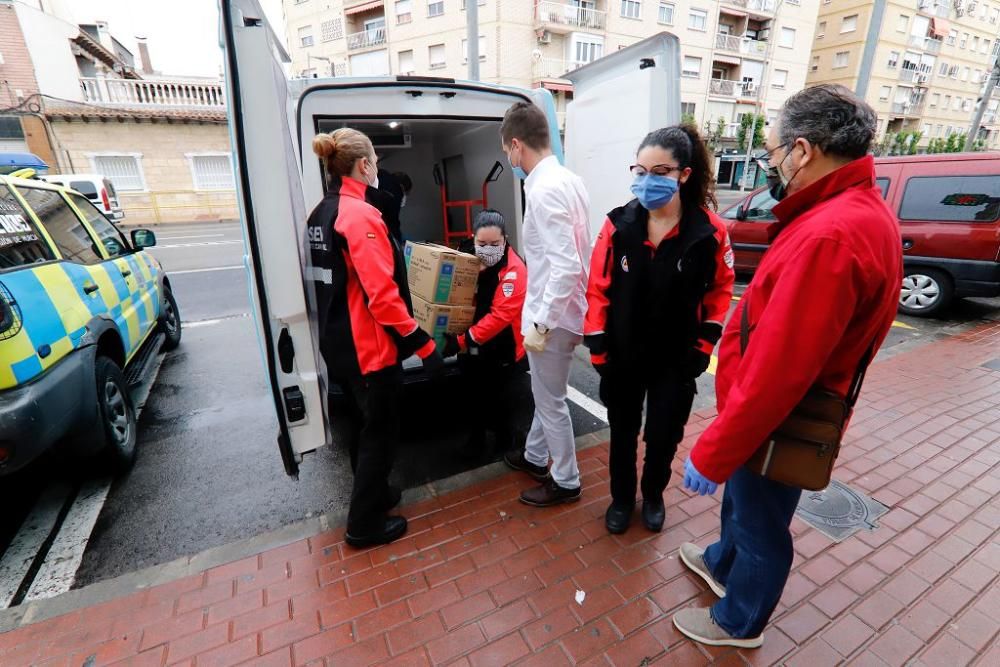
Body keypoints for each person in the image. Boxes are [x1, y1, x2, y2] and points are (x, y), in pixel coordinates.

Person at [673, 85, 903, 648]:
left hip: (782, 415)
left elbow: (783, 367)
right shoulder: (847, 212)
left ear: (803, 151)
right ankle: (721, 563)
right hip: (776, 410)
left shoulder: (831, 233)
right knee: (745, 505)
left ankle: (739, 620)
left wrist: (716, 448)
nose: (772, 165)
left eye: (773, 153)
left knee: (761, 522)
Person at [584, 125, 734, 536]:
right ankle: (620, 498)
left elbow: (722, 290)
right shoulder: (618, 225)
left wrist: (704, 344)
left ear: (684, 174)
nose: (647, 181)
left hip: (677, 358)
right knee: (623, 431)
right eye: (641, 170)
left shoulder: (710, 232)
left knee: (664, 434)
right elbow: (597, 289)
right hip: (624, 353)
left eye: (660, 171)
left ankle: (652, 496)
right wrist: (598, 348)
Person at [306, 128, 444, 549]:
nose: (378, 169)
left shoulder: (322, 212)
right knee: (380, 437)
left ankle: (378, 495)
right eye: (376, 163)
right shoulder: (360, 216)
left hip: (339, 344)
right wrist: (423, 344)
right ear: (364, 165)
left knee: (364, 430)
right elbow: (381, 297)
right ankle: (363, 524)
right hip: (370, 350)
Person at [499, 101, 591, 507]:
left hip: (553, 317)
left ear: (517, 145)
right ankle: (536, 456)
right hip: (568, 313)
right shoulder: (569, 180)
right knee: (546, 391)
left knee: (551, 401)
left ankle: (566, 479)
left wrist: (541, 324)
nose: (509, 159)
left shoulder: (544, 188)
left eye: (507, 151)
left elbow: (565, 265)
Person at [442, 209, 531, 458]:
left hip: (501, 347)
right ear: (473, 237)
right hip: (472, 343)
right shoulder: (467, 256)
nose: (488, 248)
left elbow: (500, 317)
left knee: (500, 398)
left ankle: (506, 442)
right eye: (482, 243)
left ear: (505, 240)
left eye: (495, 244)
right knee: (472, 392)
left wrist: (461, 340)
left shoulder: (514, 270)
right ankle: (476, 440)